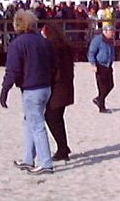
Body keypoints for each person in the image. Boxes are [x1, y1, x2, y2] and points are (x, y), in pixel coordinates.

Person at [0, 10, 56, 175]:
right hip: (45, 87)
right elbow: (54, 64)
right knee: (30, 122)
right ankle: (28, 159)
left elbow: (12, 70)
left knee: (37, 125)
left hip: (32, 89)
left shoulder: (18, 44)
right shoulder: (44, 42)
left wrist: (5, 90)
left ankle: (45, 163)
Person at [41, 23, 74, 161]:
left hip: (58, 86)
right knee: (57, 118)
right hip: (66, 85)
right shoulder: (64, 46)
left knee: (52, 117)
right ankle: (63, 147)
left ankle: (62, 148)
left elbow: (53, 68)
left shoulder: (53, 48)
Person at [88, 24, 116, 113]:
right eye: (111, 32)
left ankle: (98, 99)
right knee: (102, 87)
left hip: (108, 65)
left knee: (110, 85)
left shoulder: (110, 40)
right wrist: (93, 64)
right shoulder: (97, 40)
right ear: (105, 31)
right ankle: (102, 107)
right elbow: (91, 52)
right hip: (100, 65)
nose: (113, 34)